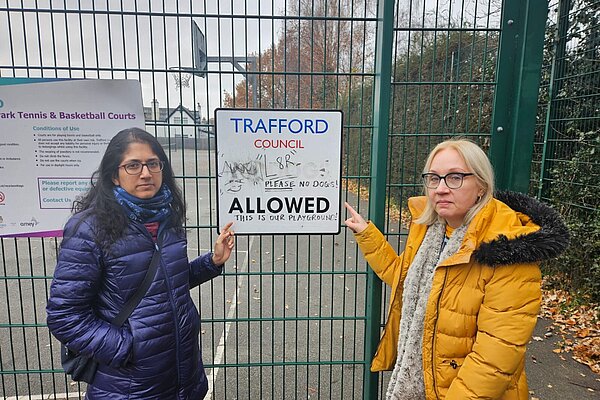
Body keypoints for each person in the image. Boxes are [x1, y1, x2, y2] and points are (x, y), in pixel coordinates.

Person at [344, 138, 568, 399]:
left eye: (455, 178)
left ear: (481, 186)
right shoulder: (431, 231)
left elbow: (494, 360)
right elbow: (403, 278)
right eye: (434, 178)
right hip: (428, 383)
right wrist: (367, 235)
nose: (441, 188)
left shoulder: (508, 249)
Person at [46, 127, 234, 399]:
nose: (145, 173)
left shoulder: (167, 219)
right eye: (133, 165)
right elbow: (65, 316)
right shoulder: (89, 228)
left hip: (180, 372)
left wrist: (212, 262)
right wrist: (126, 347)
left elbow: (167, 283)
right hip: (127, 384)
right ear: (114, 175)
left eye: (152, 163)